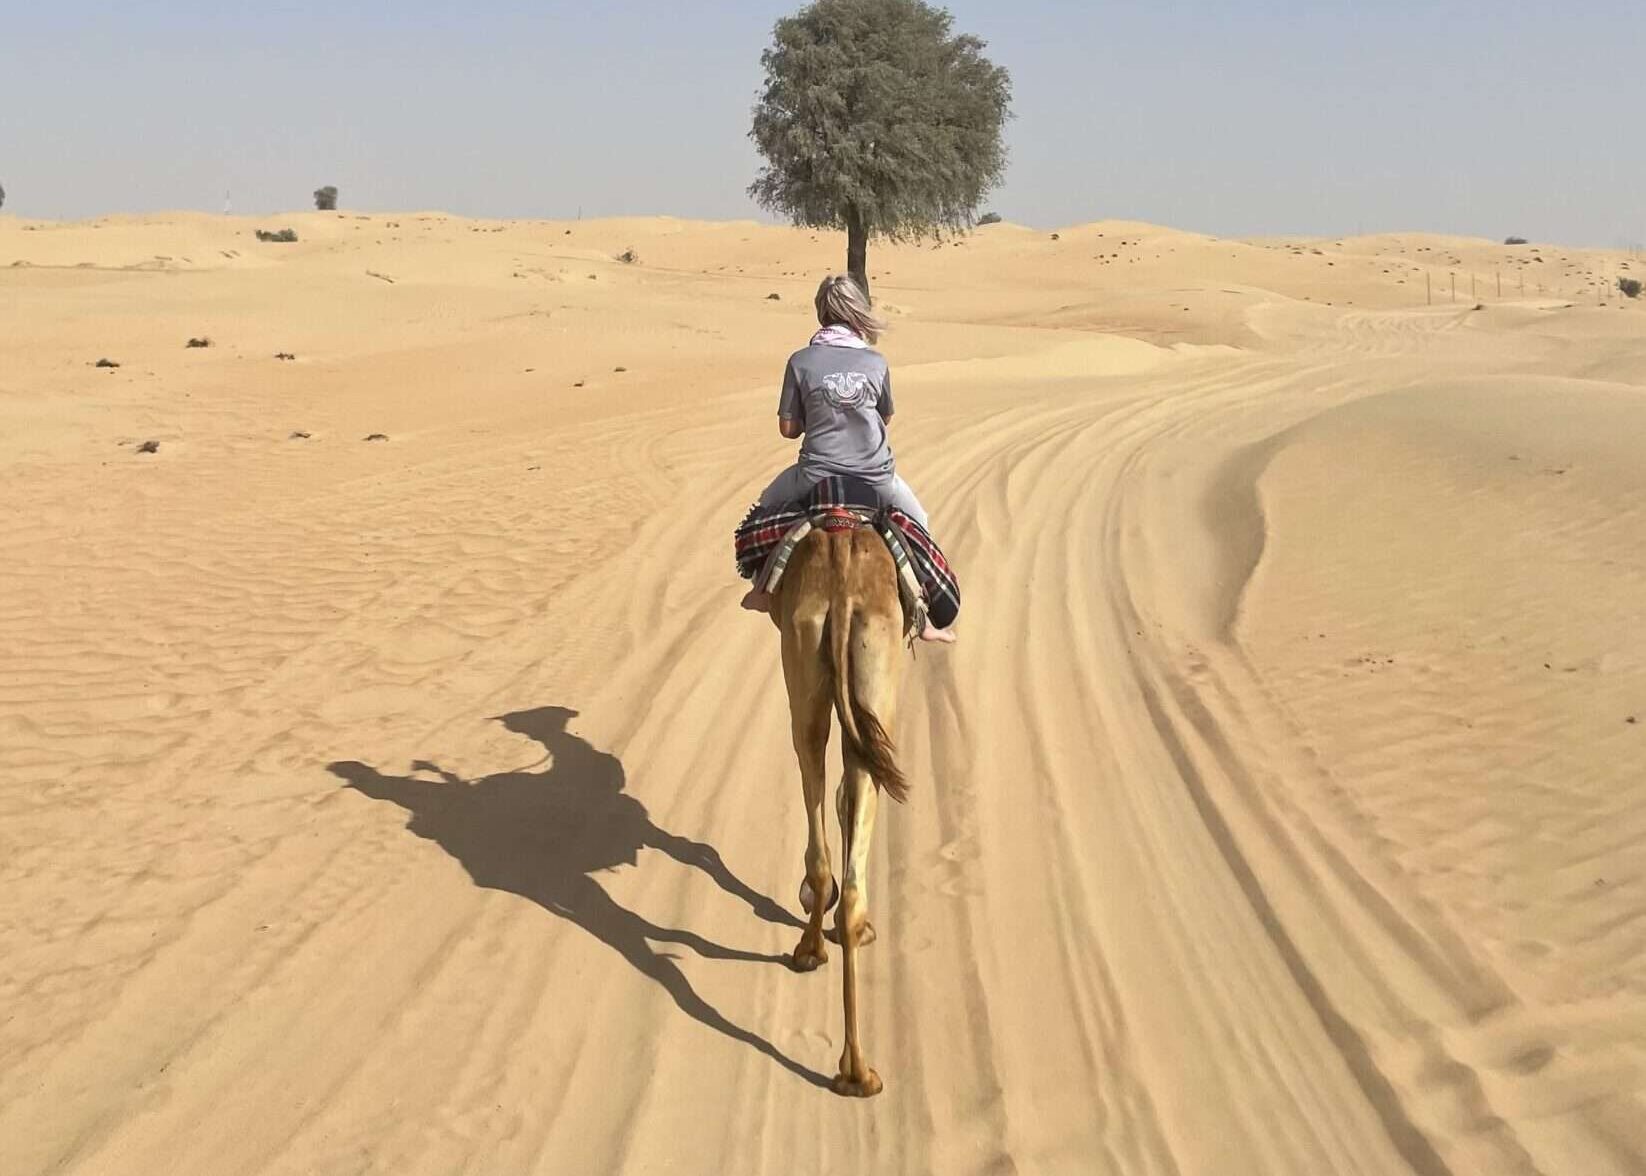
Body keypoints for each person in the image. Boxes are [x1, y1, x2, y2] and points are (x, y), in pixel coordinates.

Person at [742, 274, 954, 644]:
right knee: (919, 522)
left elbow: (788, 429)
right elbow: (885, 419)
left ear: (821, 313)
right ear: (857, 312)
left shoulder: (800, 361)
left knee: (766, 507)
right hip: (875, 479)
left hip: (815, 477)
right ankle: (926, 617)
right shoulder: (876, 362)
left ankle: (762, 590)